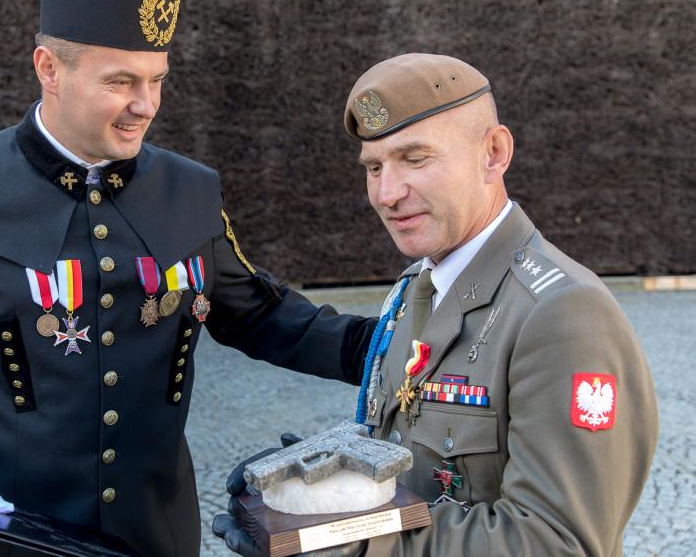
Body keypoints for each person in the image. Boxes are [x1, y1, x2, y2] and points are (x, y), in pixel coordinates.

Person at [0, 0, 377, 557]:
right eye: (120, 81)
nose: (144, 105)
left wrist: (401, 347)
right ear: (49, 68)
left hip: (155, 537)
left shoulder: (190, 190)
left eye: (156, 80)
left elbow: (260, 315)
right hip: (6, 540)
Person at [213, 53, 658, 557]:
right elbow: (412, 458)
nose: (387, 193)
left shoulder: (562, 314)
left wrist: (351, 539)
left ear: (493, 153)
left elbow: (557, 541)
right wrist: (328, 486)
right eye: (374, 167)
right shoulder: (416, 289)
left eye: (415, 159)